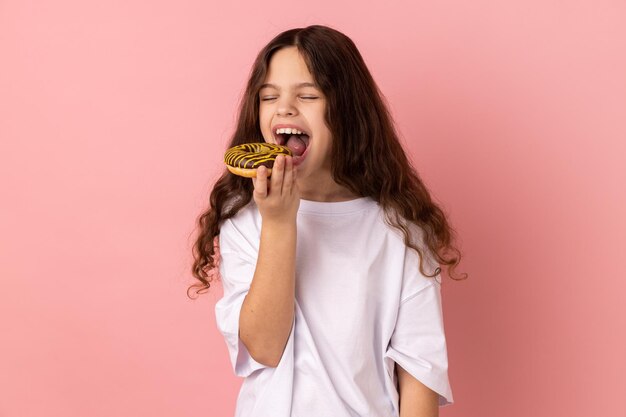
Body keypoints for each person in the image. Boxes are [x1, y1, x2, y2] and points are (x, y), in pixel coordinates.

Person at [190, 24, 467, 417]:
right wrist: (280, 224)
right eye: (269, 97)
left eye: (307, 95)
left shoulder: (401, 230)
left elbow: (420, 372)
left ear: (347, 112)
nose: (284, 108)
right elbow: (264, 348)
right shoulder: (248, 219)